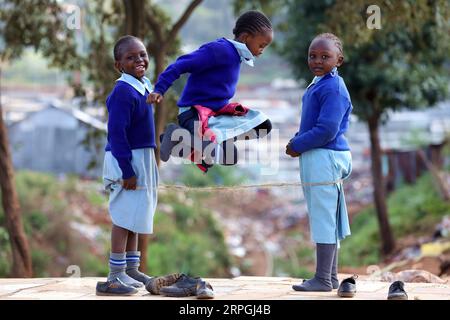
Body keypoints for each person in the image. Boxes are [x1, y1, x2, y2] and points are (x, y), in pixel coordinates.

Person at [147, 10, 274, 172]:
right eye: (261, 45)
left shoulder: (237, 56)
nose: (262, 50)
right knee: (210, 152)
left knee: (260, 128)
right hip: (193, 113)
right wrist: (159, 89)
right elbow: (181, 64)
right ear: (245, 38)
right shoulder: (219, 50)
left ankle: (197, 141)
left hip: (216, 115)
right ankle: (177, 136)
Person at [286, 33, 353, 292]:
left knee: (323, 218)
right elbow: (314, 124)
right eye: (313, 55)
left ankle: (323, 279)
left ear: (339, 60)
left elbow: (326, 130)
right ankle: (331, 277)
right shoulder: (321, 82)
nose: (317, 60)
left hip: (325, 155)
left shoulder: (333, 87)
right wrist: (297, 140)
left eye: (325, 56)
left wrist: (297, 145)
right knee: (327, 216)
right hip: (322, 154)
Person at [96, 35, 161, 295]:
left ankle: (131, 269)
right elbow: (117, 134)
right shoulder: (123, 91)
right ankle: (114, 275)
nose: (139, 60)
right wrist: (127, 171)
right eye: (130, 57)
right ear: (118, 65)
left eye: (142, 54)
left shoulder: (143, 85)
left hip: (141, 158)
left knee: (136, 214)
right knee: (124, 216)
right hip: (128, 160)